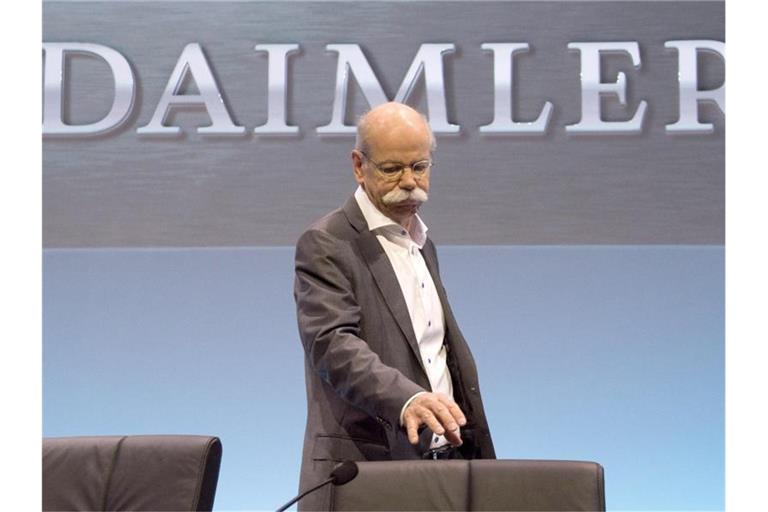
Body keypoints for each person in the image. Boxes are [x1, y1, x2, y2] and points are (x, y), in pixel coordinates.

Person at [293, 101, 495, 510]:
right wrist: (408, 399)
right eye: (391, 169)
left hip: (444, 468)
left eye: (419, 167)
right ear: (358, 165)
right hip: (369, 472)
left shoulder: (422, 243)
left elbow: (433, 350)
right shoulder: (328, 242)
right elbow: (332, 344)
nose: (409, 182)